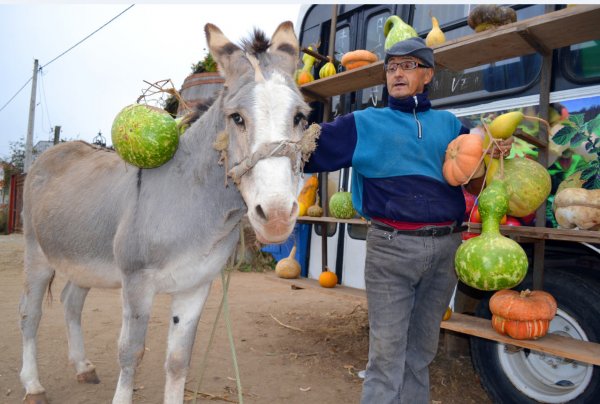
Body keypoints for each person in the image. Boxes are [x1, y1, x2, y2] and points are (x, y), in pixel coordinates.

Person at [304, 37, 512, 403]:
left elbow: (474, 179)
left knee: (420, 354)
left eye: (408, 66)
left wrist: (493, 156)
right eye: (391, 67)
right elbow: (306, 152)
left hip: (447, 247)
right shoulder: (363, 124)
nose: (397, 73)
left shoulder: (450, 126)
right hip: (391, 249)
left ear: (427, 75)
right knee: (385, 357)